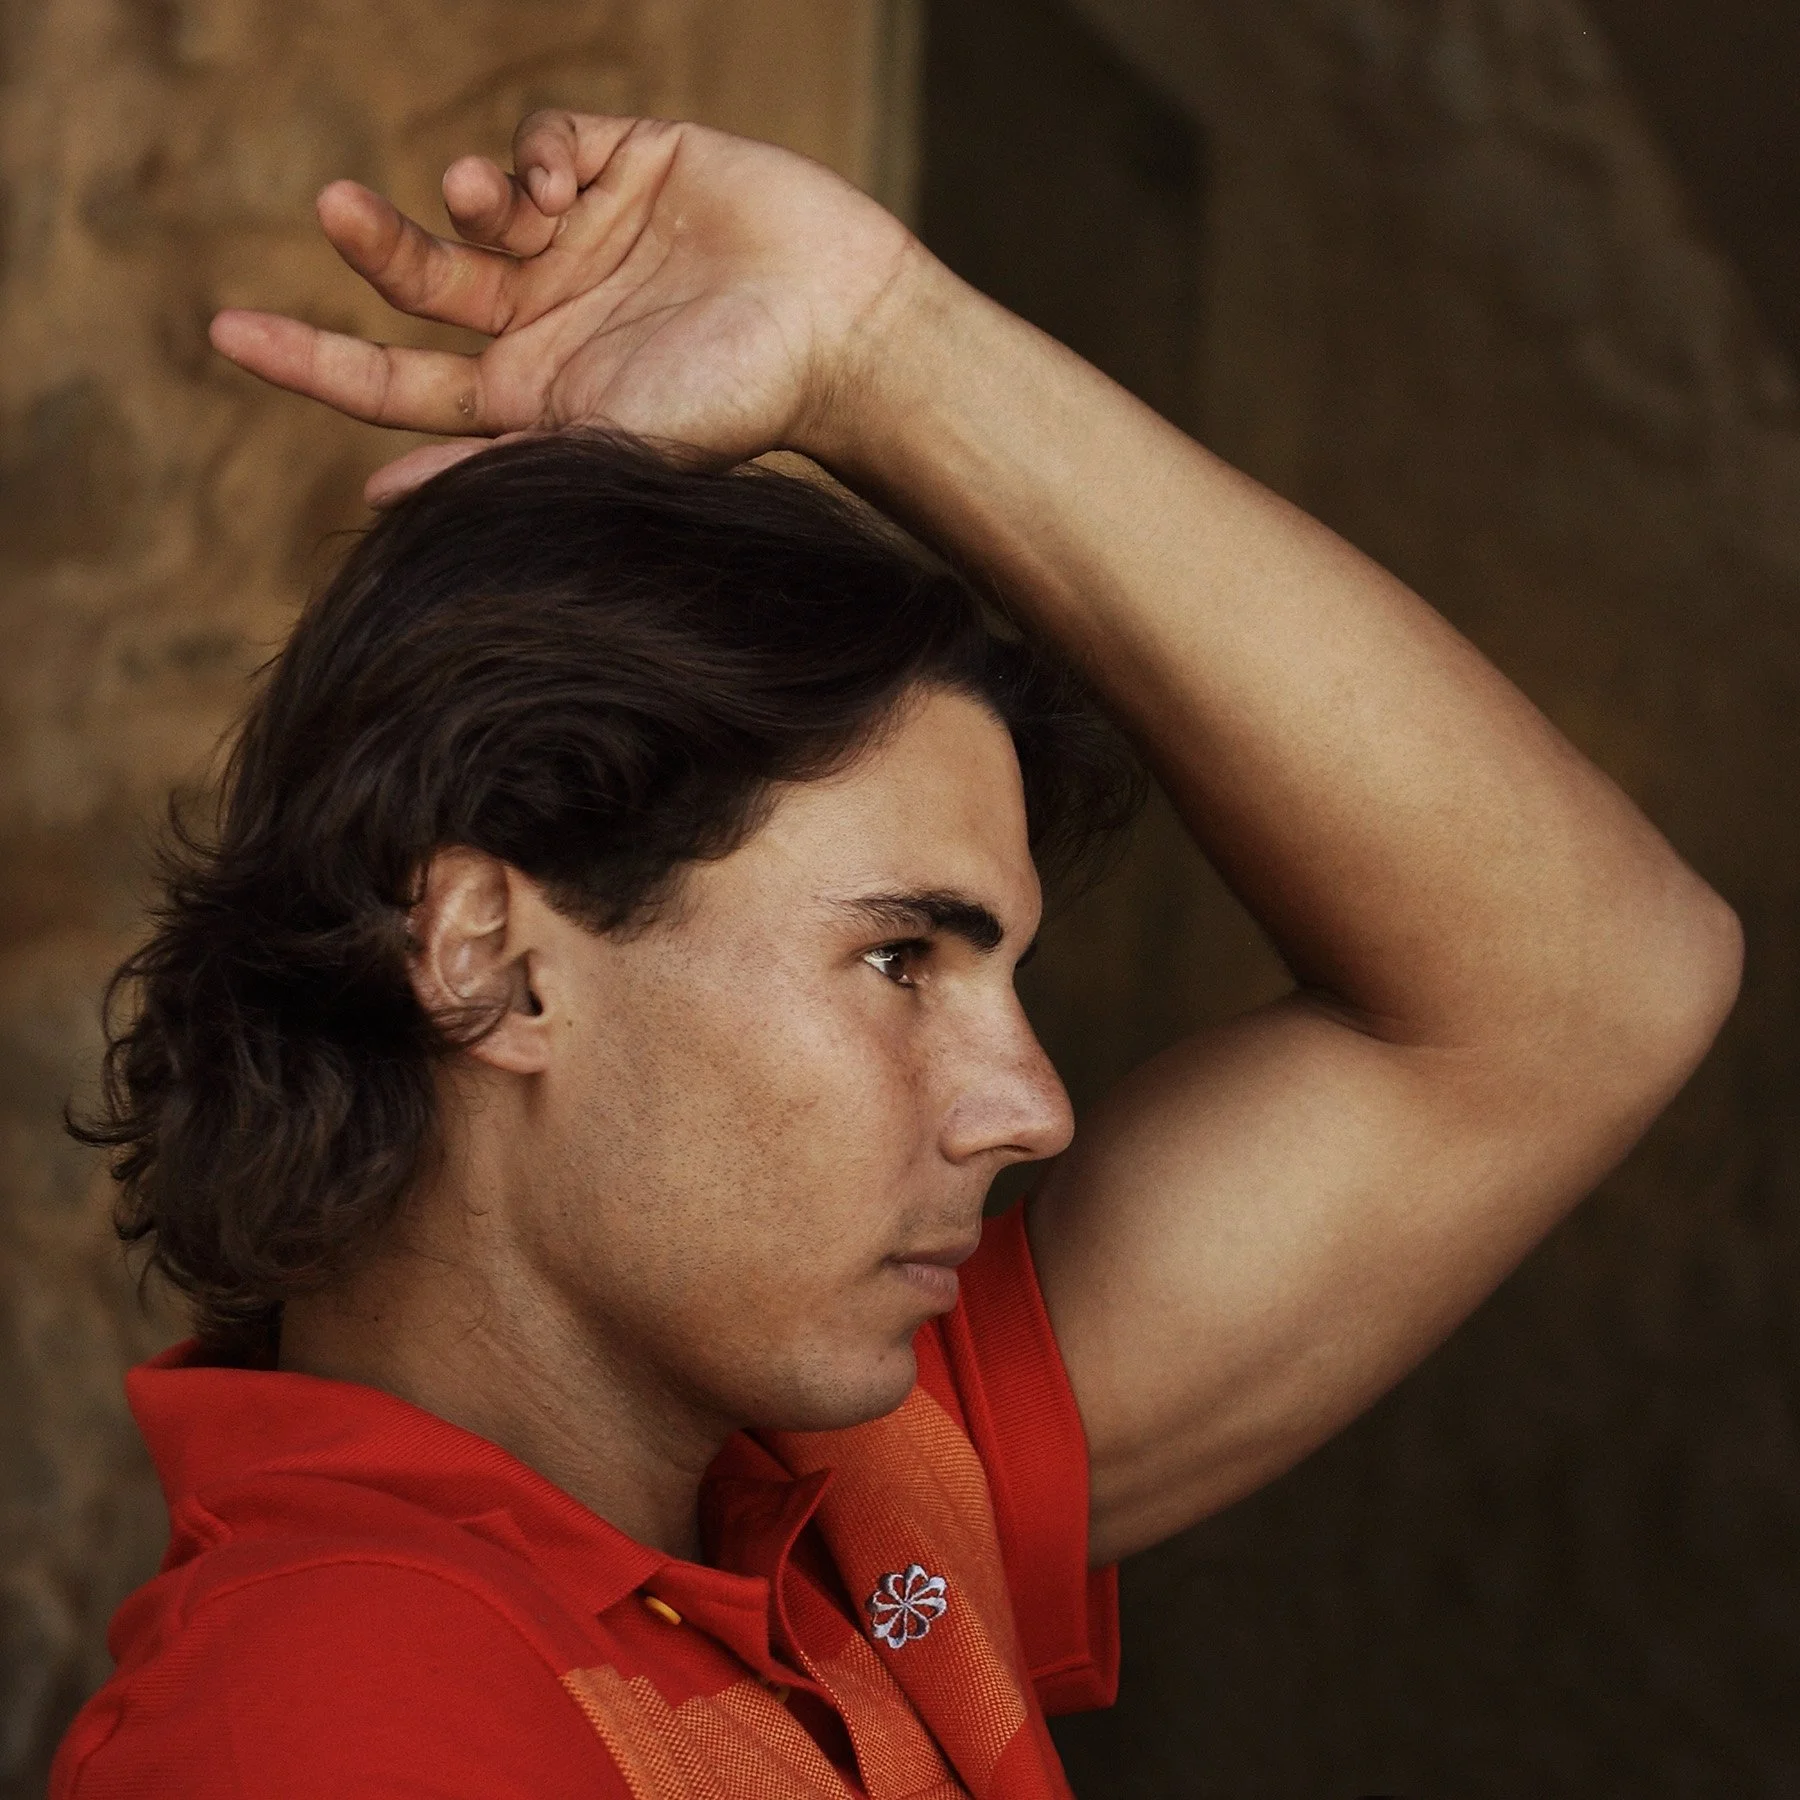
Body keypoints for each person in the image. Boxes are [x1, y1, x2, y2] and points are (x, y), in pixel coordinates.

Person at [52, 113, 1740, 1799]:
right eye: (900, 959)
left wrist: (881, 349)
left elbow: (1592, 982)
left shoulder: (850, 1508)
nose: (1031, 1107)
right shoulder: (326, 1725)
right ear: (491, 957)